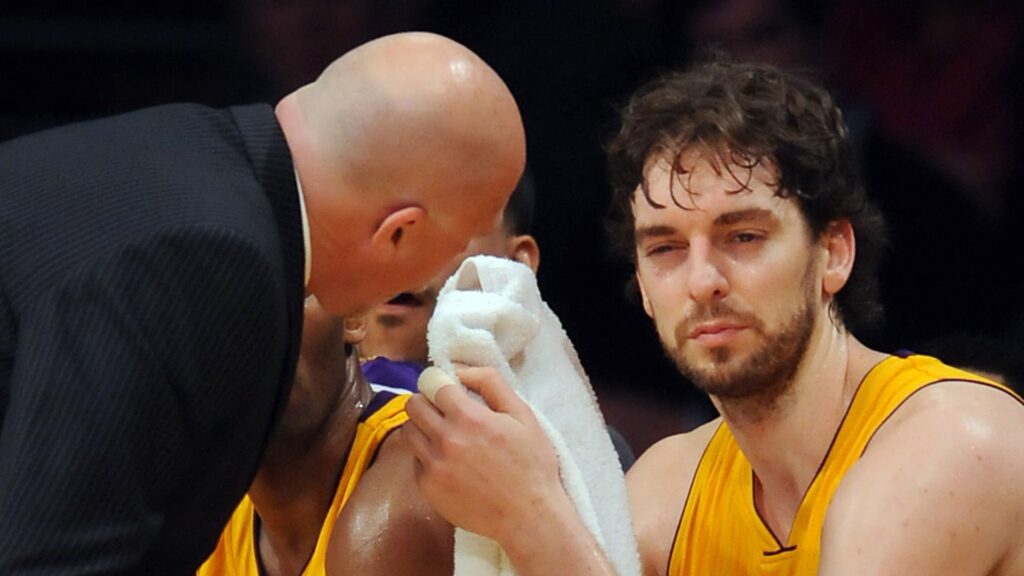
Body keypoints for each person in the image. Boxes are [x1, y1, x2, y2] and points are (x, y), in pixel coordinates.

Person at [402, 56, 1024, 575]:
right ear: (642, 287)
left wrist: (532, 516)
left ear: (833, 253)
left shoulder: (956, 443)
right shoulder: (664, 496)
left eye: (744, 237)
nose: (702, 282)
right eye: (666, 248)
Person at [0, 31, 525, 574]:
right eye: (457, 243)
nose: (436, 276)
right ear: (398, 232)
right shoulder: (212, 257)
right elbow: (52, 561)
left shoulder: (191, 155)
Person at [197, 296, 454, 576]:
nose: (251, 327)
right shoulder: (199, 506)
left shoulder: (409, 486)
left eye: (288, 286)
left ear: (354, 314)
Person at [358, 168, 541, 389]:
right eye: (381, 223)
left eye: (442, 224)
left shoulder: (553, 416)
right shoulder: (308, 407)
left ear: (515, 264)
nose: (401, 251)